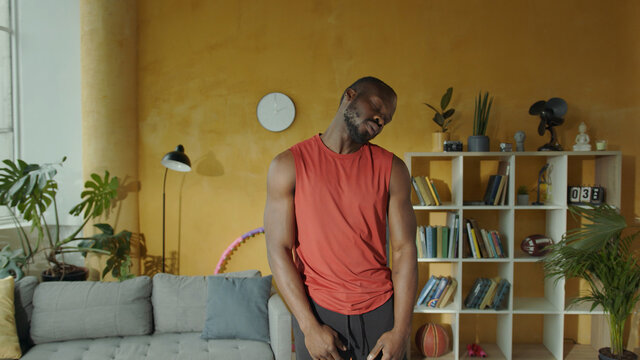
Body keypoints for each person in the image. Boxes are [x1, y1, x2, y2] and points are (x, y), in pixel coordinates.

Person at [264, 76, 417, 360]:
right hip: (319, 313)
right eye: (377, 107)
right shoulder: (288, 165)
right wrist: (308, 327)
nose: (380, 120)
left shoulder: (393, 168)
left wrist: (401, 330)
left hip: (381, 310)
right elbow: (278, 249)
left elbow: (405, 249)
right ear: (350, 95)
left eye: (386, 119)